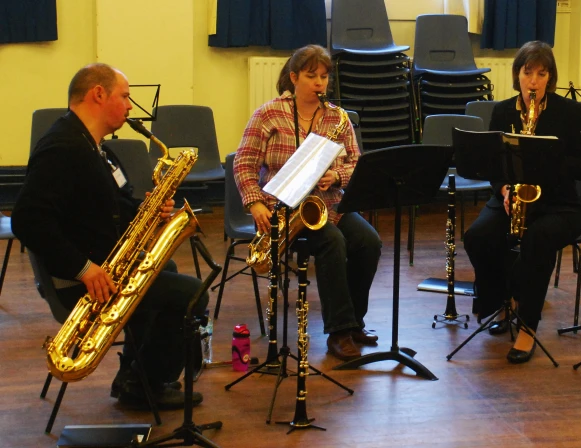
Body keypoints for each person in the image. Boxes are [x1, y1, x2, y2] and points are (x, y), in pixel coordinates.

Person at [13, 63, 207, 409]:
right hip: (85, 280)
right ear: (98, 94)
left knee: (170, 273)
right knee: (193, 296)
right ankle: (148, 383)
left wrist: (146, 212)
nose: (131, 106)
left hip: (107, 266)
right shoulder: (62, 147)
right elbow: (28, 220)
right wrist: (84, 269)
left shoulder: (96, 147)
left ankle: (135, 377)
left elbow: (110, 207)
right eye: (125, 96)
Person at [234, 45, 382, 362]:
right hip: (286, 209)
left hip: (329, 203)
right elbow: (244, 164)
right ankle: (338, 332)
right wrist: (255, 204)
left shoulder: (338, 118)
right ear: (293, 77)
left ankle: (355, 322)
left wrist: (338, 176)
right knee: (333, 243)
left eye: (324, 77)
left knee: (370, 242)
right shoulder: (268, 114)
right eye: (311, 76)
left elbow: (356, 162)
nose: (319, 83)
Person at [463, 41, 581, 364]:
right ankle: (502, 300)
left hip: (561, 204)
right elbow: (494, 167)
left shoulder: (569, 113)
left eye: (541, 73)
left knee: (538, 239)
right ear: (517, 75)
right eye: (527, 73)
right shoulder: (504, 111)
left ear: (550, 78)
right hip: (515, 199)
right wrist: (505, 189)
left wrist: (551, 160)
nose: (533, 81)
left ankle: (527, 324)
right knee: (477, 237)